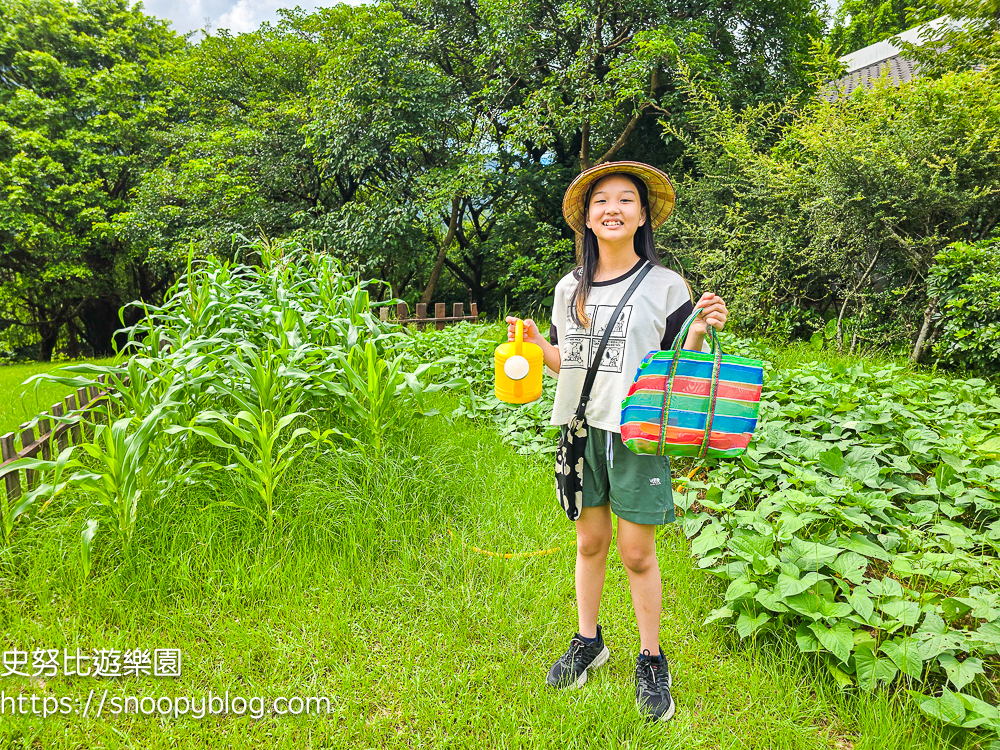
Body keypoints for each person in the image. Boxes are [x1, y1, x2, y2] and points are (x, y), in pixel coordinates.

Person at [505, 161, 728, 722]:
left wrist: (701, 330)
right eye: (601, 200)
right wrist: (536, 344)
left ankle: (651, 659)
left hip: (637, 434)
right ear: (586, 218)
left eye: (626, 199)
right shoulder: (568, 288)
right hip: (580, 431)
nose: (613, 208)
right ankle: (589, 641)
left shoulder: (667, 286)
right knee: (589, 544)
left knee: (636, 553)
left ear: (643, 215)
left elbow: (684, 368)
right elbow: (567, 363)